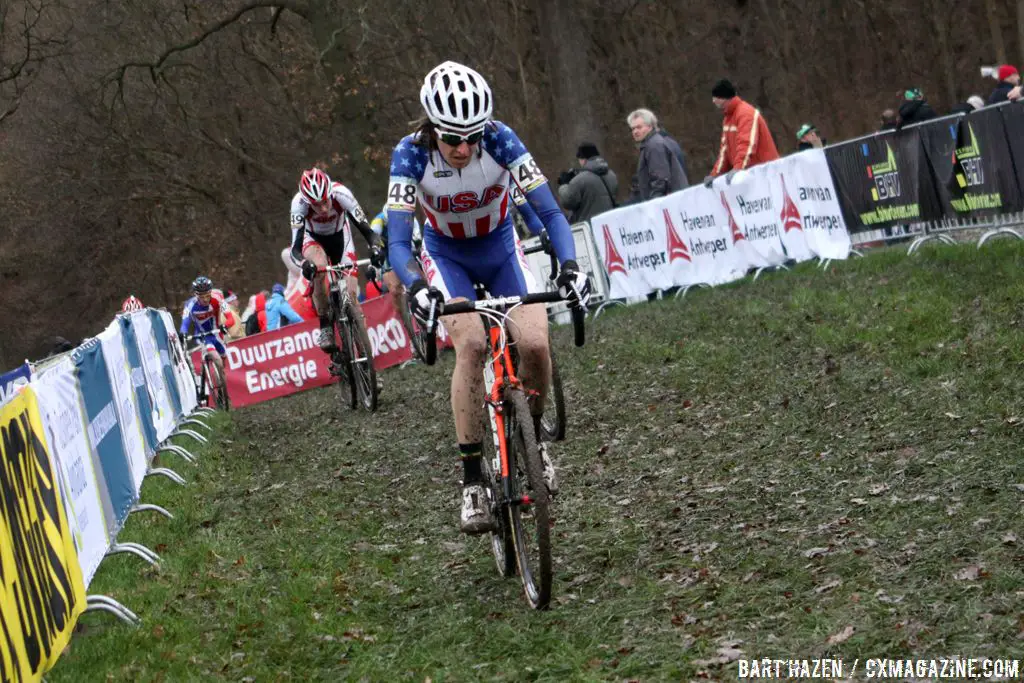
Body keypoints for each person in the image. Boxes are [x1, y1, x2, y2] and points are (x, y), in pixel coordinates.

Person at [385, 60, 590, 534]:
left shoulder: (501, 139)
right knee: (473, 345)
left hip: (499, 247)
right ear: (432, 128)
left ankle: (533, 441)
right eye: (453, 138)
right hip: (445, 254)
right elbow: (398, 241)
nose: (463, 147)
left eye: (472, 137)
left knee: (536, 344)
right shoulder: (410, 155)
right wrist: (416, 286)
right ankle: (472, 479)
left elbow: (550, 212)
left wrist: (570, 265)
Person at [290, 168, 383, 353]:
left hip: (341, 236)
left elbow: (368, 232)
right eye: (317, 205)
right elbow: (295, 249)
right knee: (319, 266)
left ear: (330, 194)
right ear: (308, 202)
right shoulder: (299, 204)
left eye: (326, 202)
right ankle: (325, 325)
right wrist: (304, 264)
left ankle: (367, 362)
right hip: (313, 239)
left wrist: (375, 248)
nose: (323, 209)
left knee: (352, 298)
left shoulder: (342, 194)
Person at [705, 79, 779, 186]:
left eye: (715, 97)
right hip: (750, 176)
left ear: (723, 97)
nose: (713, 101)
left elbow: (747, 144)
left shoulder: (746, 113)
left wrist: (738, 167)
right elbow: (724, 150)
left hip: (765, 175)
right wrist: (715, 174)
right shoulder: (728, 118)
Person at [368, 205, 423, 322]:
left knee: (420, 275)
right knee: (393, 289)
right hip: (387, 254)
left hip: (406, 250)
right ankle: (403, 318)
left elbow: (416, 241)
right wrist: (375, 251)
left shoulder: (409, 217)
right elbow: (372, 241)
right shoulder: (379, 220)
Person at [626, 109, 688, 202]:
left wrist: (654, 204)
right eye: (633, 128)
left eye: (639, 127)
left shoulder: (654, 145)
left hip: (668, 202)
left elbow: (661, 179)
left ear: (650, 126)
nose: (635, 131)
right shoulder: (650, 144)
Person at [557, 142, 618, 223]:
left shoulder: (580, 180)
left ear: (582, 159)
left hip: (591, 226)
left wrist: (564, 185)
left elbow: (568, 202)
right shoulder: (611, 175)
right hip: (610, 222)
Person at [179, 276, 227, 377]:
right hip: (203, 336)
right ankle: (207, 376)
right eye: (201, 296)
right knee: (216, 359)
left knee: (223, 362)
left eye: (207, 295)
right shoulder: (190, 305)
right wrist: (183, 332)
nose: (205, 299)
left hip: (217, 333)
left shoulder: (217, 298)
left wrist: (225, 325)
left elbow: (229, 315)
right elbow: (185, 323)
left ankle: (222, 387)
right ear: (196, 295)